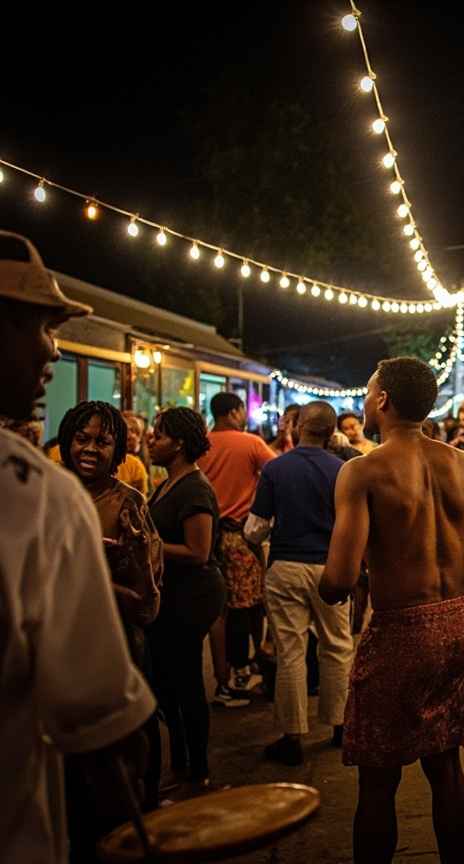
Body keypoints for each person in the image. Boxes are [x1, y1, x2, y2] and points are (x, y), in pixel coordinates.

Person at [319, 357, 464, 864]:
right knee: (446, 765)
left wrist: (325, 584)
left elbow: (339, 582)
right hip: (457, 621)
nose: (364, 402)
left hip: (399, 630)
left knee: (378, 782)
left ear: (383, 400)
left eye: (367, 392)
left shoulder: (361, 471)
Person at [0, 229, 156, 864]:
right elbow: (101, 725)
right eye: (41, 328)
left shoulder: (74, 493)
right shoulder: (35, 494)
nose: (52, 352)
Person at [56, 401, 166, 838]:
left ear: (120, 451)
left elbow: (147, 603)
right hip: (56, 654)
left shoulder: (128, 504)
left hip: (116, 648)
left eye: (103, 442)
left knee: (122, 766)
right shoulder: (50, 494)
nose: (90, 449)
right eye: (82, 439)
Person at [245, 401, 354, 766]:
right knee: (337, 645)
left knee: (290, 650)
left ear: (299, 426)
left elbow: (255, 528)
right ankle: (339, 725)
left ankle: (292, 736)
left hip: (287, 565)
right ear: (331, 430)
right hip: (330, 567)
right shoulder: (343, 470)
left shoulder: (276, 469)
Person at [147, 407, 227, 791]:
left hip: (192, 595)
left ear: (178, 444)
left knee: (187, 682)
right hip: (173, 594)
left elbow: (199, 550)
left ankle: (196, 769)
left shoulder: (194, 487)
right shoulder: (166, 484)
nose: (150, 440)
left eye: (158, 435)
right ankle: (179, 761)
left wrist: (149, 544)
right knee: (167, 681)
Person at [198, 390, 277, 706]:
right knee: (247, 605)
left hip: (205, 535)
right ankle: (242, 670)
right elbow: (276, 472)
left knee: (220, 609)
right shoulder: (251, 443)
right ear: (233, 412)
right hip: (239, 536)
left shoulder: (200, 443)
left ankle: (224, 676)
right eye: (243, 410)